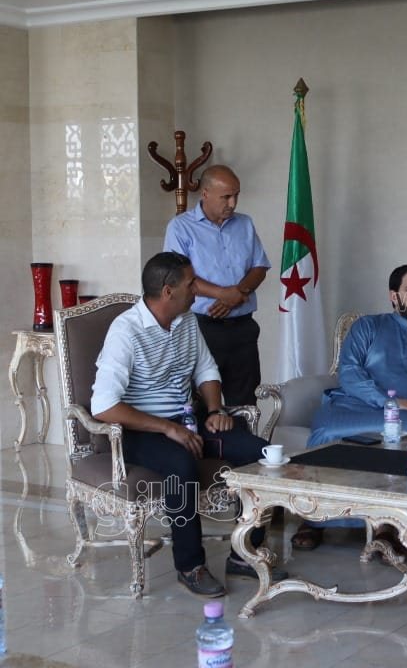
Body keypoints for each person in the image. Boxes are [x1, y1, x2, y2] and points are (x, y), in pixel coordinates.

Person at [90, 252, 286, 597]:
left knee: (261, 455)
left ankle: (245, 553)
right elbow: (103, 406)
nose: (197, 289)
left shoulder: (187, 321)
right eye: (191, 283)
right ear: (169, 291)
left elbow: (206, 370)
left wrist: (214, 409)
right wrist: (168, 428)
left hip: (188, 421)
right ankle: (190, 565)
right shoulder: (126, 331)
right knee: (181, 464)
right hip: (140, 432)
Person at [290, 263, 407, 551]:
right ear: (394, 296)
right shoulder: (367, 327)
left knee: (406, 430)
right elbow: (349, 373)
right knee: (326, 430)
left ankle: (387, 524)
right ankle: (315, 517)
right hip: (352, 406)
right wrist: (388, 401)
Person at [164, 164, 270, 408]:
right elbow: (178, 276)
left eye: (236, 195)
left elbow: (259, 267)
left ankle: (242, 435)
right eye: (226, 197)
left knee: (245, 403)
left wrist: (238, 293)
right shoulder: (180, 227)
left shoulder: (244, 224)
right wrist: (223, 294)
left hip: (243, 329)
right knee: (201, 403)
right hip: (203, 328)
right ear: (205, 194)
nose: (233, 203)